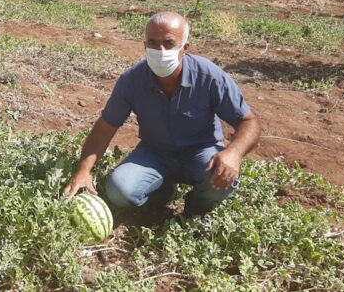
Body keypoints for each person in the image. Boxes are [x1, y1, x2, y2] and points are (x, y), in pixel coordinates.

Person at [62, 11, 260, 217]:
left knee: (223, 175)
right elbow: (105, 127)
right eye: (153, 43)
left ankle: (195, 210)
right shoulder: (132, 81)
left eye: (169, 43)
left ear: (185, 48)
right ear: (145, 46)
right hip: (154, 153)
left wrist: (234, 153)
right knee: (119, 191)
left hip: (200, 152)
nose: (160, 50)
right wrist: (83, 170)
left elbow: (248, 121)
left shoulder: (210, 77)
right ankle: (162, 192)